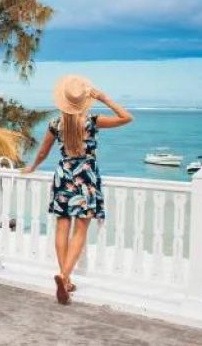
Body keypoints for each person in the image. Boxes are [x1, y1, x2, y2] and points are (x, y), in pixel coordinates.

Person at [22, 75, 133, 305]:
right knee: (80, 231)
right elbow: (126, 118)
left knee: (62, 227)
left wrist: (32, 167)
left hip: (63, 176)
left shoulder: (55, 124)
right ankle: (64, 277)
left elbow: (43, 152)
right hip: (85, 178)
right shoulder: (91, 121)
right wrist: (104, 98)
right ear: (84, 101)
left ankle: (66, 279)